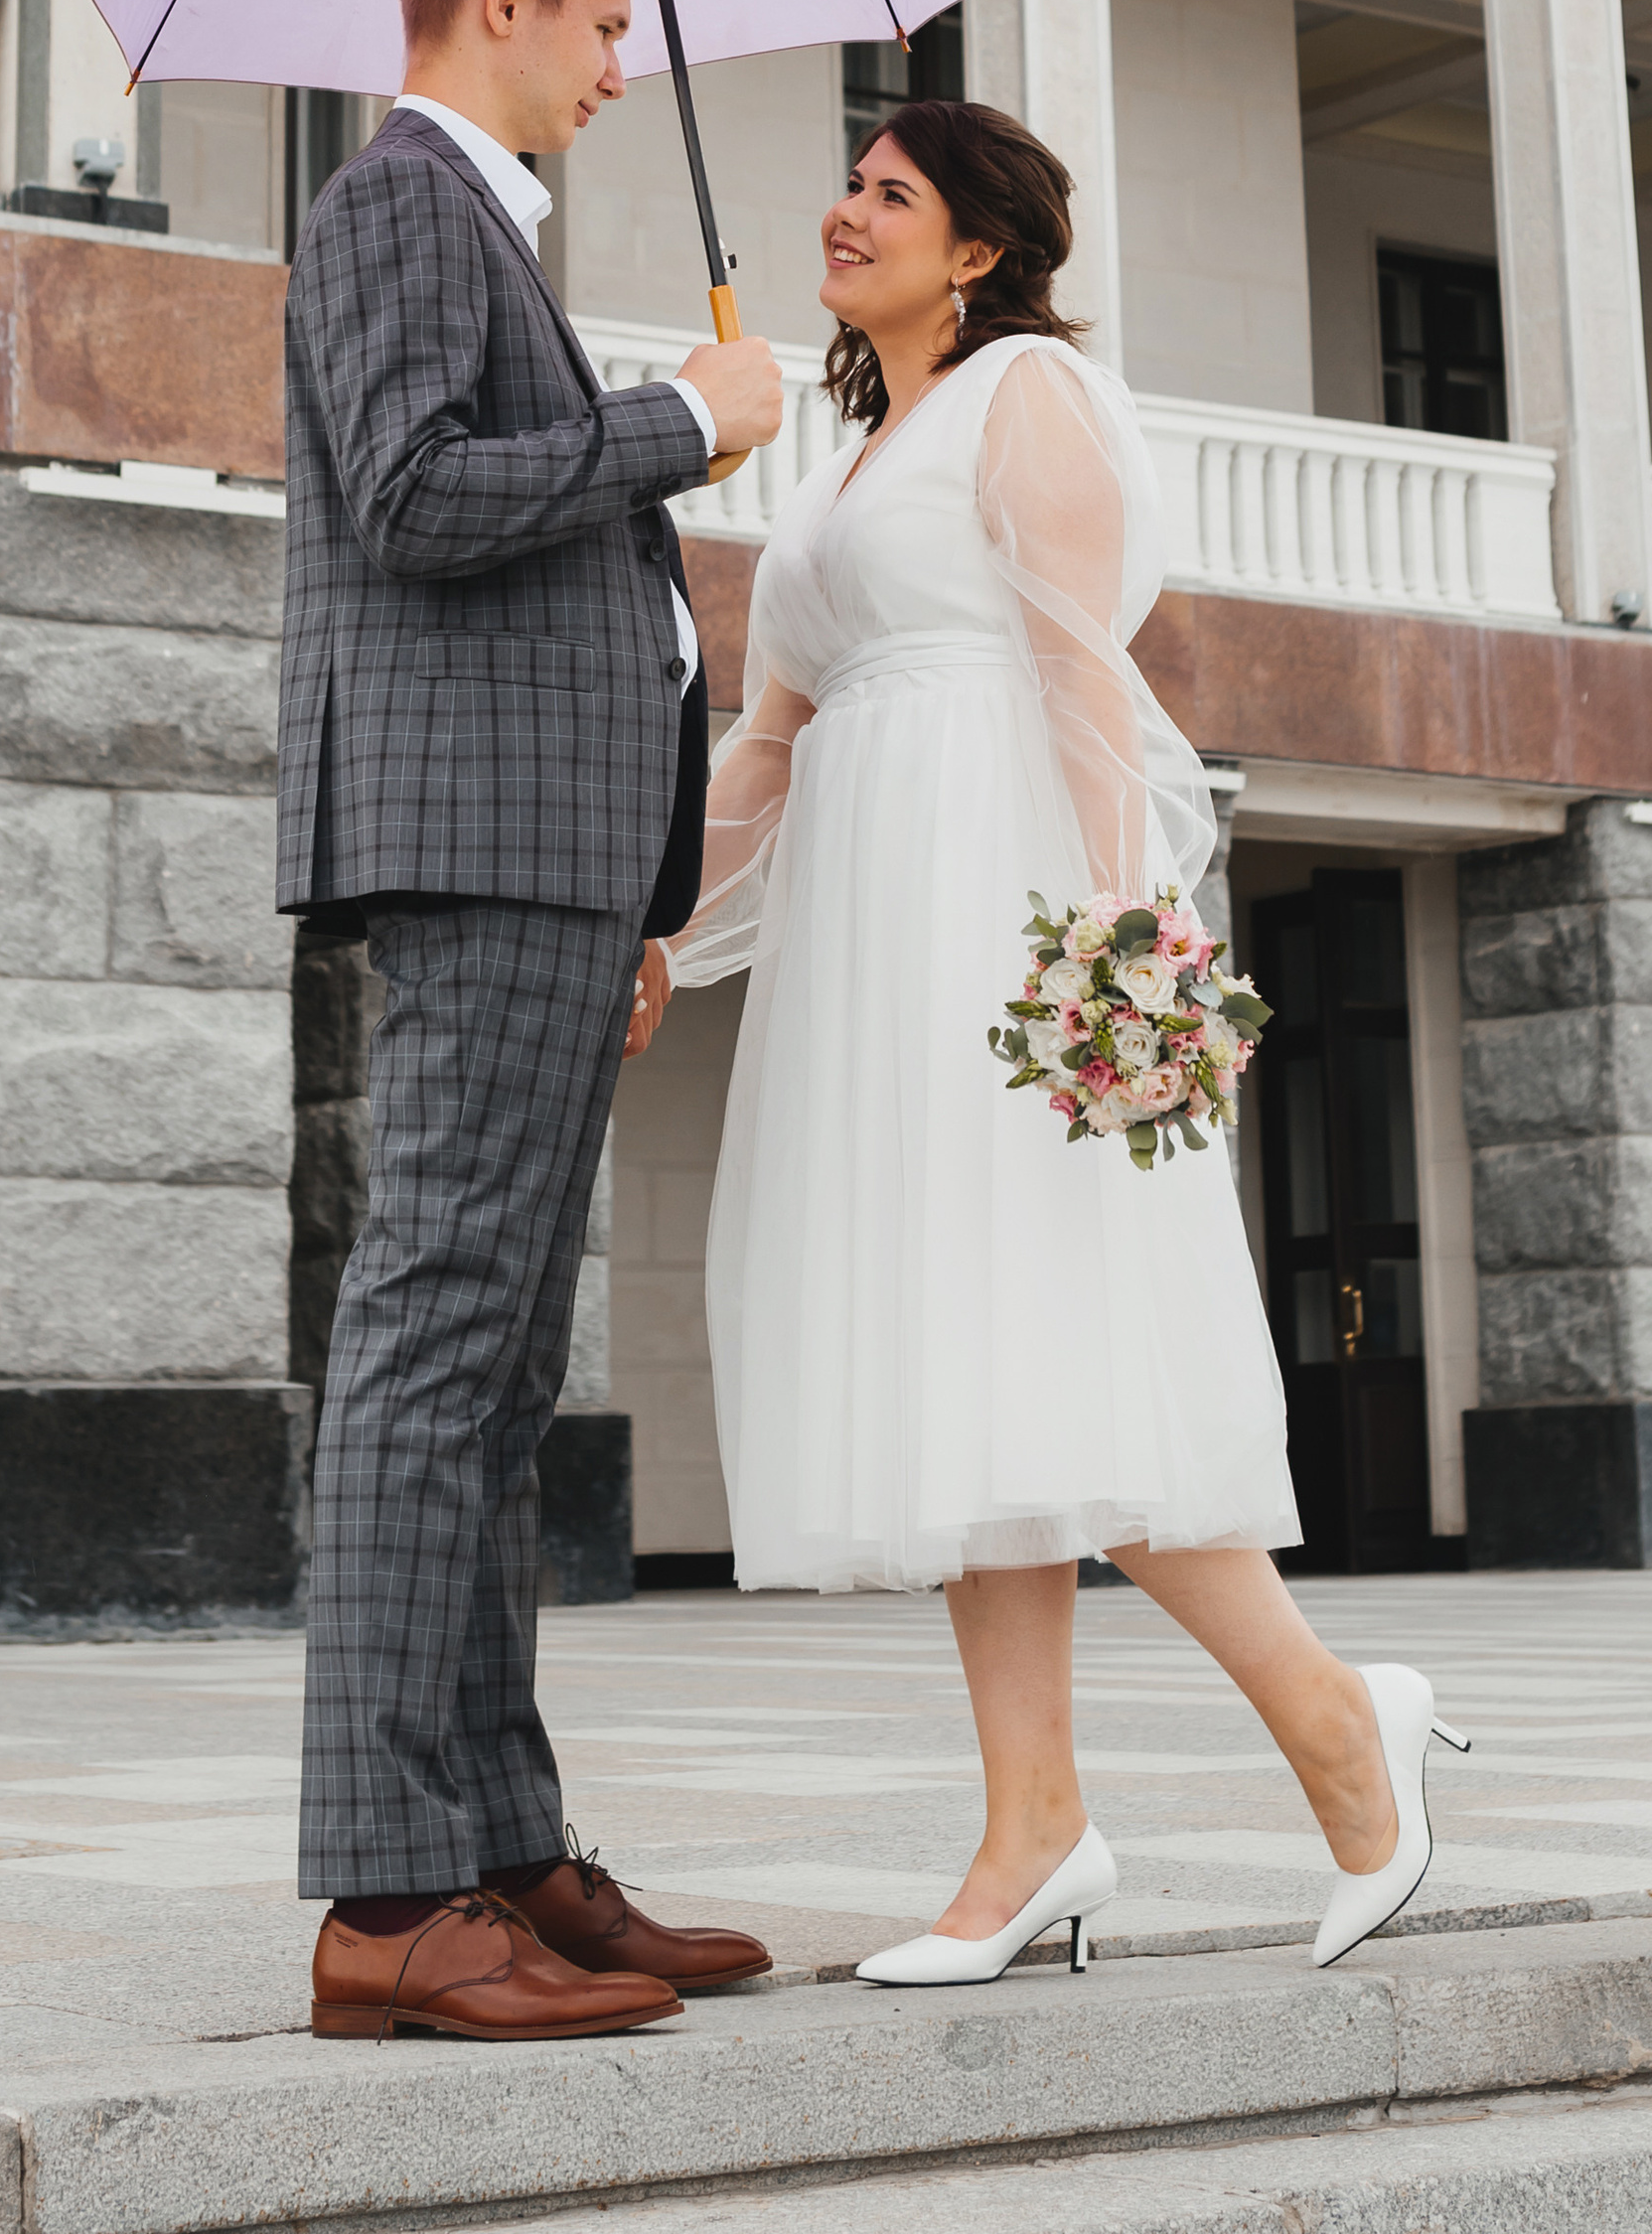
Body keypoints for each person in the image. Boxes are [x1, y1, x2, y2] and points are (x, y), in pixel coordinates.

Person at [632, 98, 1462, 1984]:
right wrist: (660, 923)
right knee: (962, 1372)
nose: (844, 212)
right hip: (870, 927)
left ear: (980, 248)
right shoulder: (842, 456)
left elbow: (1089, 673)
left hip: (1006, 913)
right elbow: (767, 737)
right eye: (843, 182)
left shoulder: (1027, 402)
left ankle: (1347, 1733)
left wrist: (1118, 949)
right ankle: (1036, 1834)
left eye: (889, 193)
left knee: (1067, 1348)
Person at [282, 0, 788, 2043]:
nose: (615, 70)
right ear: (501, 1)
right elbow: (412, 492)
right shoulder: (400, 200)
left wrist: (646, 885)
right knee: (430, 1355)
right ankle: (389, 1898)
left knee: (489, 1380)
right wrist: (683, 423)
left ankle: (497, 1849)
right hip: (480, 853)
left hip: (562, 870)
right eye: (600, 27)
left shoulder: (478, 223)